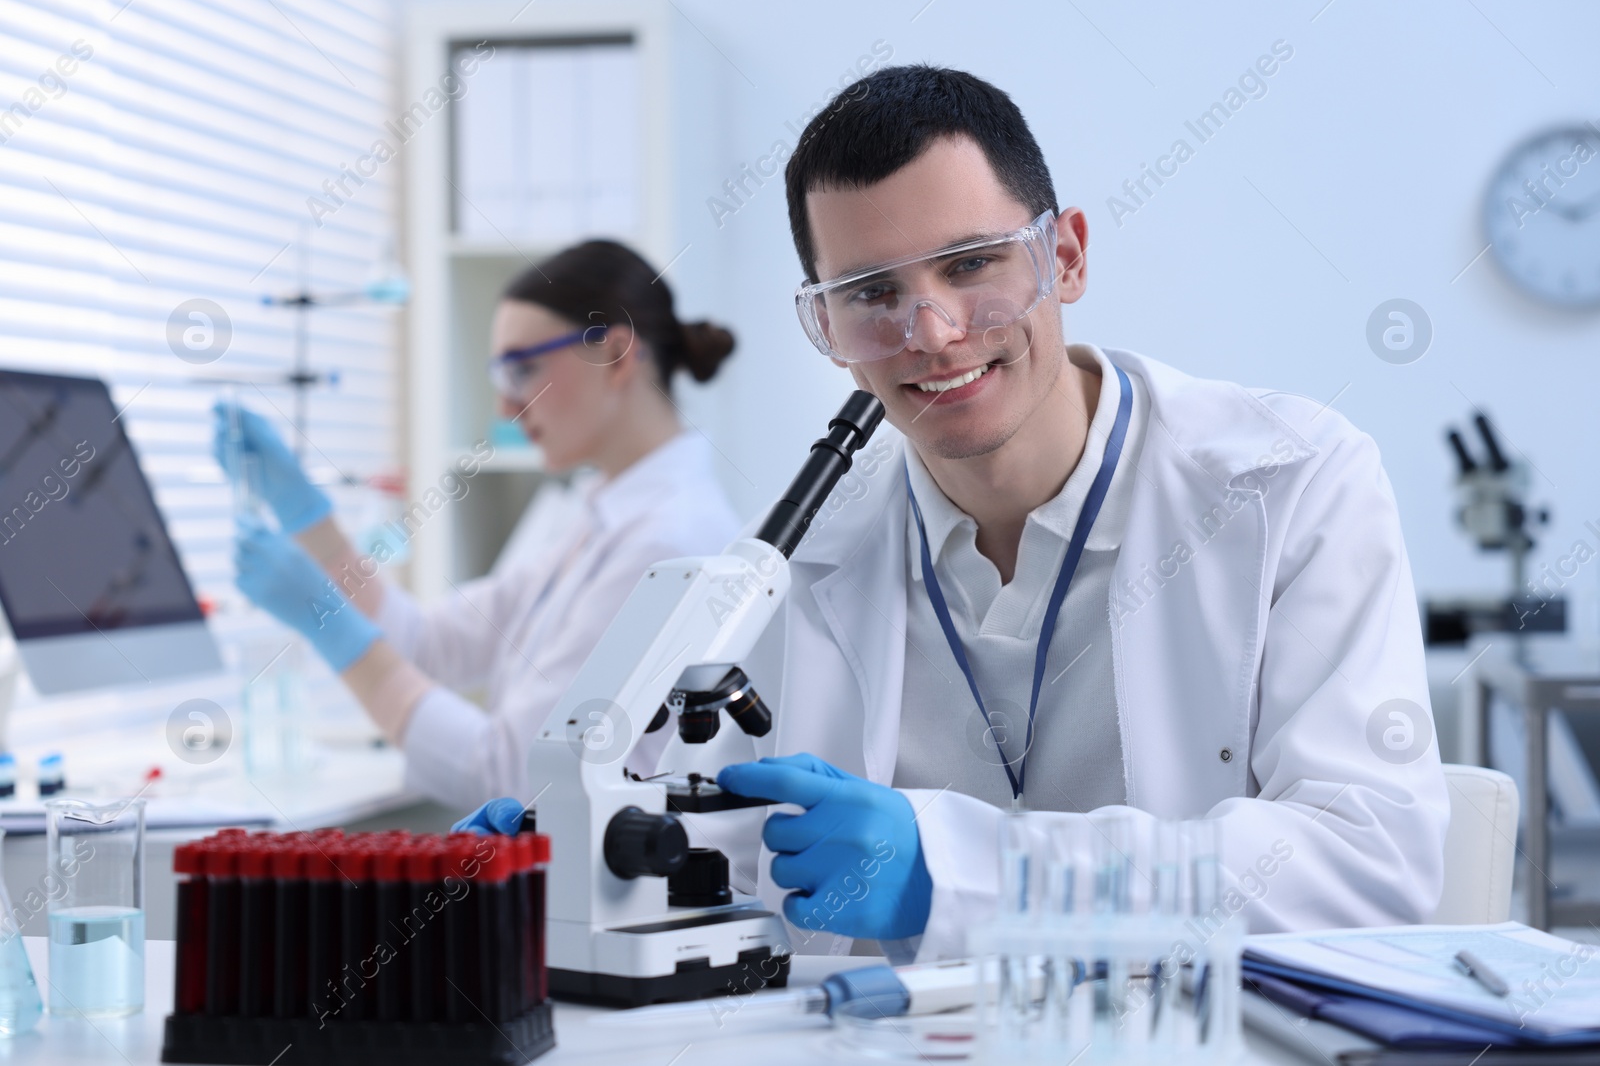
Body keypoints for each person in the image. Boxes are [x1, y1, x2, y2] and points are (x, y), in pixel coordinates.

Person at [461, 65, 1450, 964]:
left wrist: (957, 869)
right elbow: (738, 846)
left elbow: (1369, 862)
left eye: (971, 264)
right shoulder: (806, 549)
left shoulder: (1291, 482)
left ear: (1063, 257)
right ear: (825, 327)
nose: (928, 333)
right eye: (870, 293)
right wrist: (590, 861)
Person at [218, 240, 740, 809]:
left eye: (521, 370)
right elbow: (425, 644)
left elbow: (514, 776)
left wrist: (333, 632)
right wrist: (308, 519)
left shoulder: (666, 542)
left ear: (614, 356)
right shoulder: (600, 513)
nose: (505, 410)